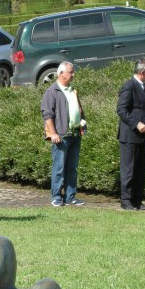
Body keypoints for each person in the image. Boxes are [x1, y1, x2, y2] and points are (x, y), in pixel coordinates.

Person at [40, 61, 87, 207]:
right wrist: (53, 133)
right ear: (61, 74)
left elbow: (78, 110)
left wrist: (82, 123)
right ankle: (56, 197)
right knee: (59, 168)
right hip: (61, 136)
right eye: (70, 72)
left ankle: (70, 197)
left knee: (72, 167)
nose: (73, 74)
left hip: (75, 134)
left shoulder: (73, 90)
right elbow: (47, 115)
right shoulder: (52, 92)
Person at [117, 59, 145, 211]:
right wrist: (137, 124)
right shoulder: (129, 86)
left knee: (141, 169)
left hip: (142, 136)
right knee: (129, 170)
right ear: (143, 72)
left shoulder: (144, 86)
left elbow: (140, 108)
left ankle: (137, 199)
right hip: (130, 135)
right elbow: (121, 110)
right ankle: (126, 200)